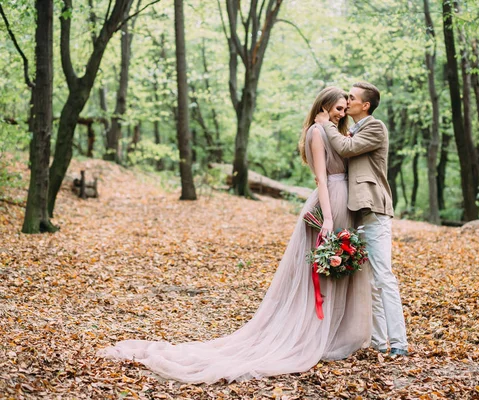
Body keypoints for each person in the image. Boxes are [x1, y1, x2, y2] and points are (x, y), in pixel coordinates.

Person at [97, 87, 372, 384]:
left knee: (339, 266)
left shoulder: (336, 132)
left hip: (346, 202)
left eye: (345, 108)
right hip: (328, 201)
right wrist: (328, 218)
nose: (342, 113)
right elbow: (320, 176)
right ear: (324, 106)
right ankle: (313, 334)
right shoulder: (317, 133)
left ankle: (335, 333)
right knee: (322, 269)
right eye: (338, 108)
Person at [316, 82, 409, 357]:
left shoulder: (375, 127)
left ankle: (399, 343)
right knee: (370, 282)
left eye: (352, 98)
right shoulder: (352, 129)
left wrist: (327, 124)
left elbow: (346, 148)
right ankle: (380, 342)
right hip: (358, 211)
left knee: (384, 277)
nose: (347, 101)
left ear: (365, 105)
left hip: (375, 211)